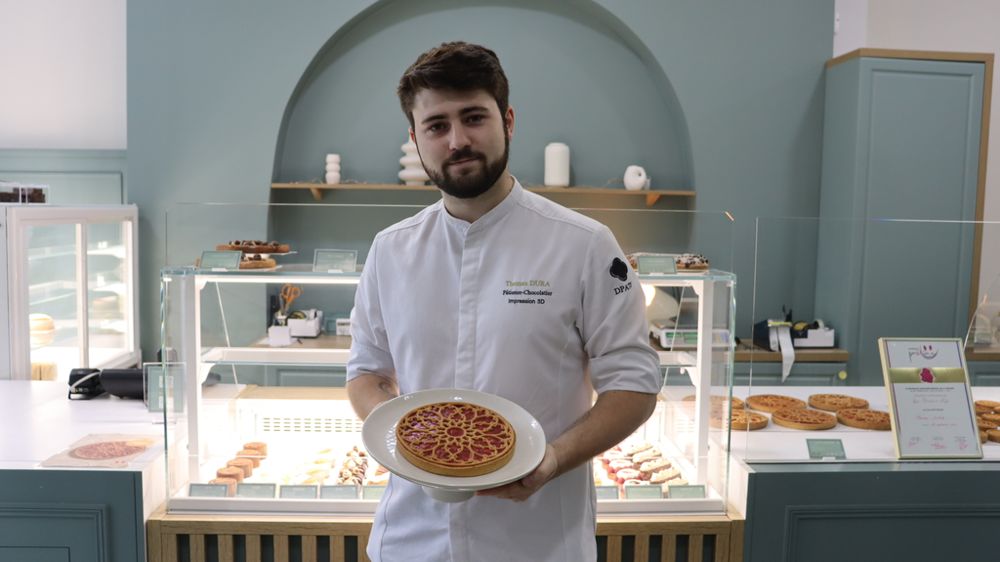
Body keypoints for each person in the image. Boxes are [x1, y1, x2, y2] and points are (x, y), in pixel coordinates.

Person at [347, 41, 661, 562]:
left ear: (508, 121)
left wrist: (553, 458)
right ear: (415, 138)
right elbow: (365, 373)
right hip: (410, 540)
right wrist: (403, 443)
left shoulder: (584, 244)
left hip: (540, 544)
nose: (457, 140)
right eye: (437, 126)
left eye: (474, 117)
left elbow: (634, 385)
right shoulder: (390, 250)